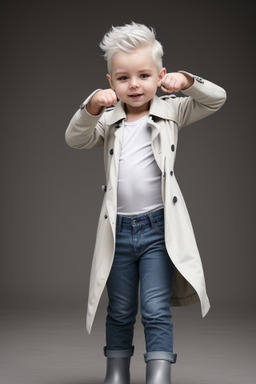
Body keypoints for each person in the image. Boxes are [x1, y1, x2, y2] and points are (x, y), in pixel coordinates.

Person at [65, 22, 226, 384]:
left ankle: (158, 375)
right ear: (110, 82)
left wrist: (187, 81)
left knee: (155, 308)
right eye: (123, 78)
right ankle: (117, 373)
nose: (134, 85)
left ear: (160, 76)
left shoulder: (172, 111)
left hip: (158, 230)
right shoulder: (108, 120)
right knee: (120, 309)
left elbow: (216, 98)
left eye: (143, 75)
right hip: (118, 231)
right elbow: (74, 139)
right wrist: (89, 108)